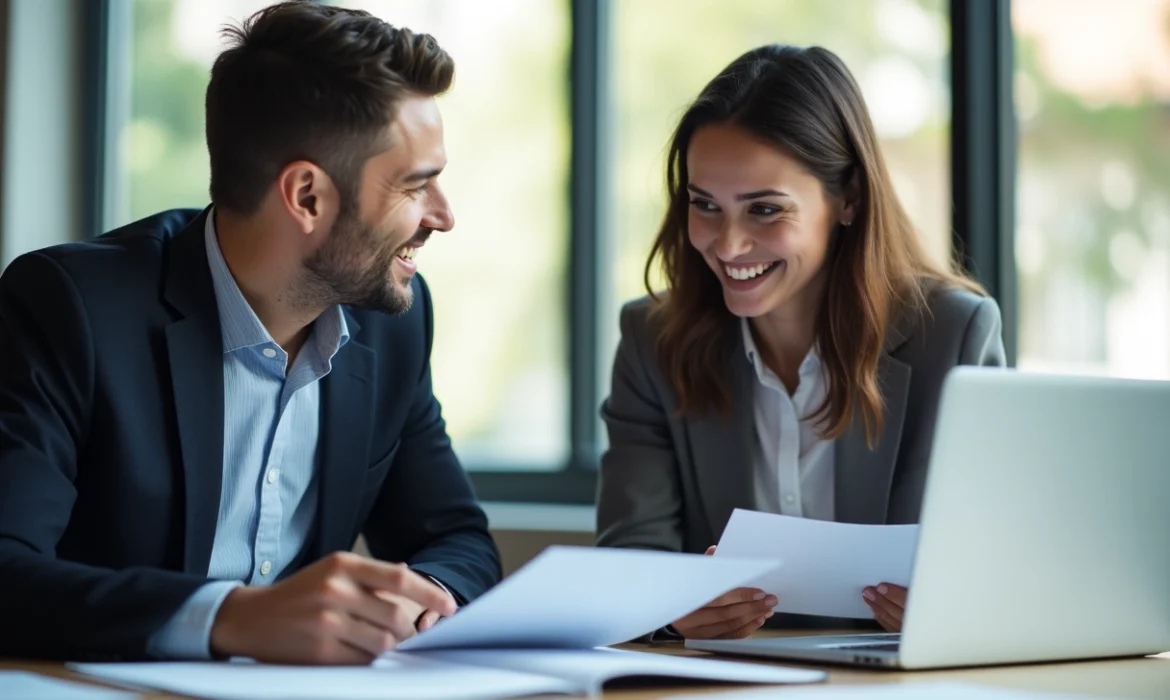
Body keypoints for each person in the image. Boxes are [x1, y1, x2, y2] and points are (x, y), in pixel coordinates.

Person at [0, 2, 500, 664]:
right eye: (416, 186)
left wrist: (421, 602)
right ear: (307, 196)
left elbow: (458, 541)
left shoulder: (391, 325)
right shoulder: (72, 308)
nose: (444, 215)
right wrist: (230, 619)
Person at [596, 44, 1006, 640]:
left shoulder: (953, 336)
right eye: (705, 205)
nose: (728, 245)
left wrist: (958, 610)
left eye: (764, 210)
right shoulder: (653, 340)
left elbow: (998, 569)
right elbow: (628, 564)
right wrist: (665, 608)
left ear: (850, 200)